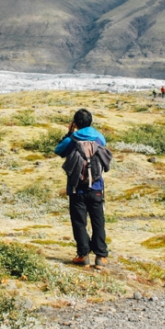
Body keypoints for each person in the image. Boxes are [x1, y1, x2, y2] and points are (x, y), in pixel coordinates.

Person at [55, 109, 113, 270]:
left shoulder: (72, 139)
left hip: (76, 188)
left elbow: (58, 150)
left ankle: (83, 255)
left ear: (76, 123)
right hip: (96, 186)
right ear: (91, 121)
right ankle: (101, 256)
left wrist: (69, 132)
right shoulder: (99, 137)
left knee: (79, 221)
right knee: (98, 220)